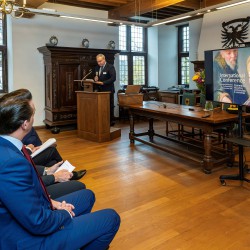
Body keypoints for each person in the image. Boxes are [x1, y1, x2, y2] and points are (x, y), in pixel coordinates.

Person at [0, 91, 120, 249]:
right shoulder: (11, 163)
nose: (34, 116)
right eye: (33, 113)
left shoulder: (9, 146)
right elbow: (38, 222)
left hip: (30, 212)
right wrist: (63, 214)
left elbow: (25, 195)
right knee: (111, 218)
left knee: (87, 196)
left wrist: (53, 203)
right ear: (25, 123)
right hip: (25, 239)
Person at [94, 53, 116, 126]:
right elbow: (96, 76)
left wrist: (103, 83)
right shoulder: (97, 68)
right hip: (100, 91)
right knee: (101, 107)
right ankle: (102, 122)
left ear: (104, 59)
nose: (99, 63)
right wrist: (95, 78)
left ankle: (110, 122)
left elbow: (113, 78)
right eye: (98, 61)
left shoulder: (110, 67)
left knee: (109, 106)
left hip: (108, 90)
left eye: (100, 61)